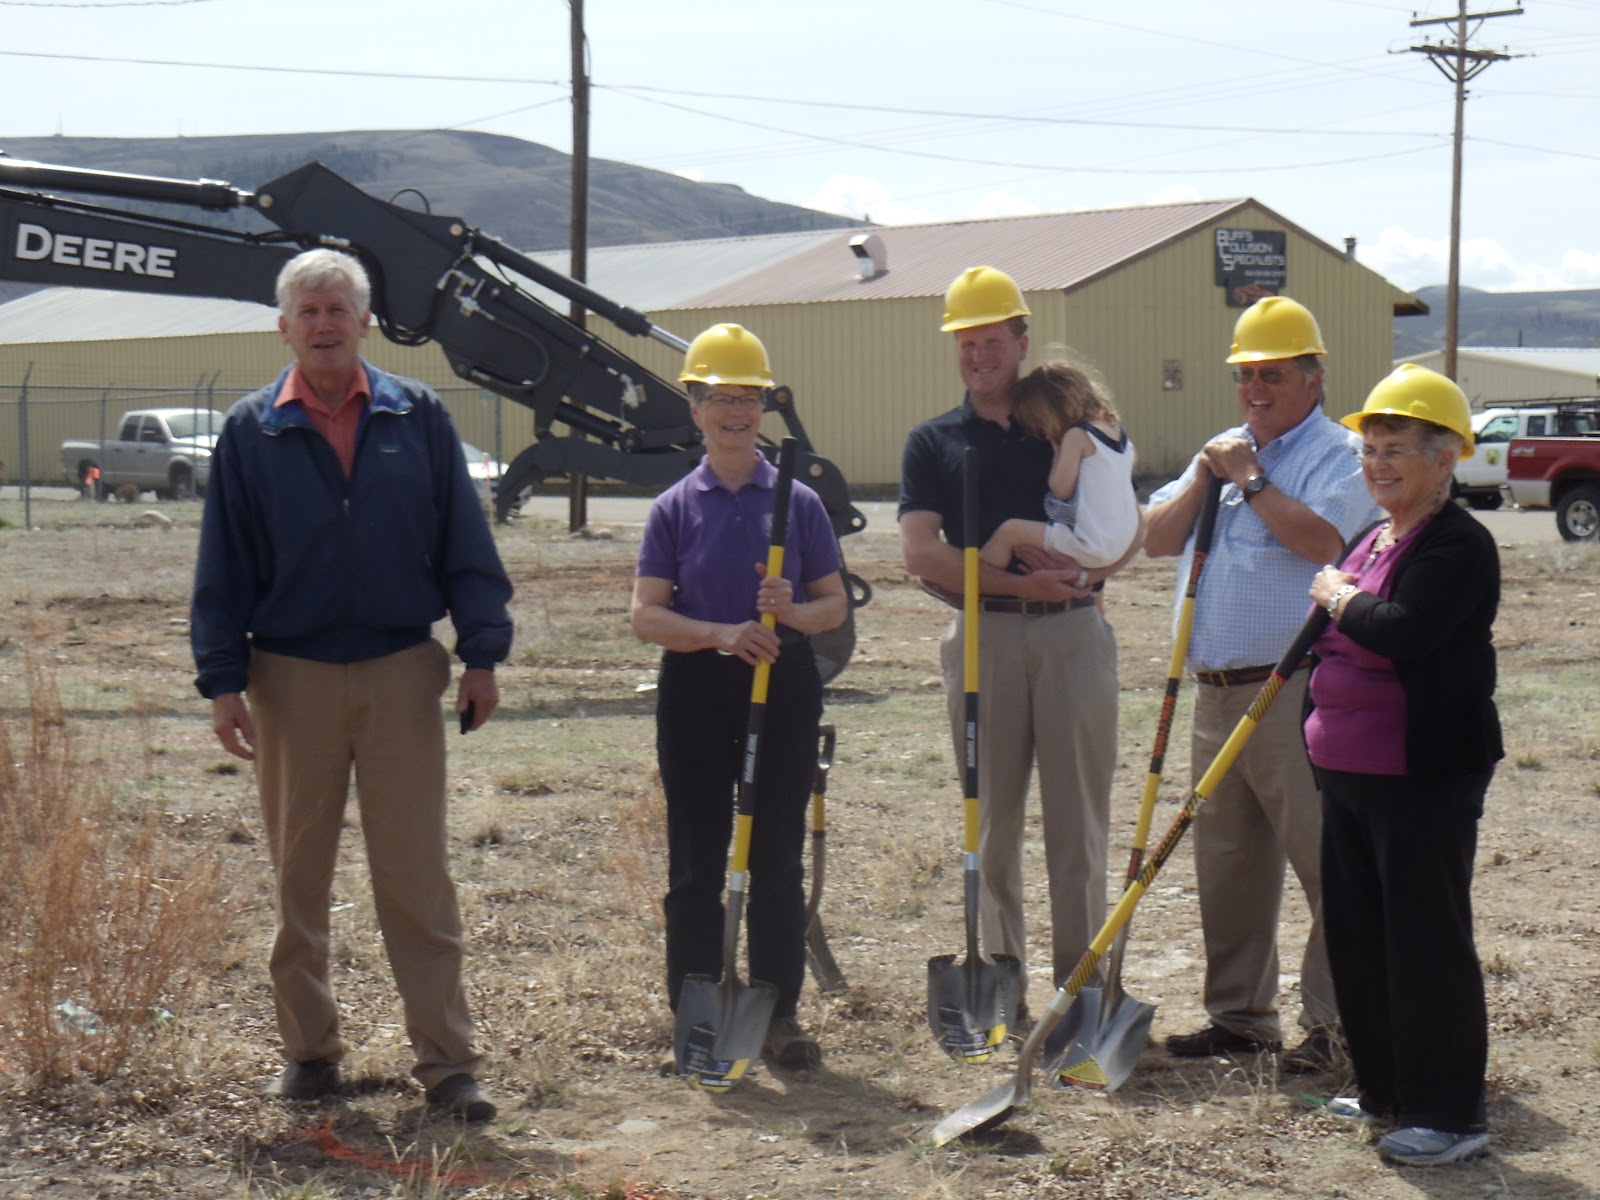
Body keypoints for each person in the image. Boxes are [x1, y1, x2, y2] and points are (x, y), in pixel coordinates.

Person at [191, 248, 512, 1121]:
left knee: (416, 878)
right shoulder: (253, 432)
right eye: (309, 311)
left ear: (366, 321)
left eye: (339, 309)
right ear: (284, 326)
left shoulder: (420, 416)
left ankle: (448, 1065)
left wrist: (482, 653)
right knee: (299, 876)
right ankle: (310, 1054)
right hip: (288, 678)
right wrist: (223, 680)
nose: (325, 324)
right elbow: (222, 568)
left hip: (403, 671)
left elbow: (465, 548)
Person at [1144, 295, 1381, 1072]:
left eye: (1272, 375)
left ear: (1313, 378)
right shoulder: (1225, 449)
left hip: (1294, 688)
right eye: (1246, 375)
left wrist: (1249, 481)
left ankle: (1336, 1027)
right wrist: (1206, 478)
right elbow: (1154, 539)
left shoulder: (1339, 454)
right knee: (1229, 861)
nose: (1255, 390)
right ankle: (1240, 1019)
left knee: (1323, 860)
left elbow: (1325, 541)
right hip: (1213, 690)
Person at [900, 266, 1134, 1018]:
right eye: (966, 343)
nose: (978, 356)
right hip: (984, 641)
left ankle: (1083, 992)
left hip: (1073, 639)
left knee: (1080, 825)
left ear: (1021, 342)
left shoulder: (1069, 430)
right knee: (992, 822)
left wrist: (1094, 571)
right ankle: (1001, 986)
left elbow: (1124, 524)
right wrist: (1016, 586)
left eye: (992, 340)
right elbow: (921, 555)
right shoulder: (932, 441)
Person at [630, 323, 847, 1068]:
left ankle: (777, 1012)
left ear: (764, 407)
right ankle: (696, 1009)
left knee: (776, 856)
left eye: (747, 397)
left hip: (781, 683)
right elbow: (646, 615)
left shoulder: (800, 503)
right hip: (697, 685)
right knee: (697, 859)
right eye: (719, 397)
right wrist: (723, 634)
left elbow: (834, 610)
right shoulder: (672, 508)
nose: (734, 411)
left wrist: (788, 614)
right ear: (694, 408)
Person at [1306, 364, 1500, 1166]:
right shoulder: (1374, 536)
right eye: (1369, 451)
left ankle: (1449, 1115)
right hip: (1348, 774)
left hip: (1421, 775)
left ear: (1444, 457)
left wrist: (1338, 596)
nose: (1377, 465)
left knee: (1424, 941)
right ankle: (1386, 1089)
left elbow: (1403, 628)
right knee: (1358, 937)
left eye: (1395, 450)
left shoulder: (1459, 544)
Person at [979, 357, 1140, 572]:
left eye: (1042, 423)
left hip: (1091, 545)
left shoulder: (1077, 436)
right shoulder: (1116, 431)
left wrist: (1058, 456)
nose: (1044, 433)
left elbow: (1060, 489)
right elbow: (1132, 461)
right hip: (1120, 540)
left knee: (1009, 532)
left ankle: (974, 581)